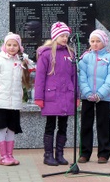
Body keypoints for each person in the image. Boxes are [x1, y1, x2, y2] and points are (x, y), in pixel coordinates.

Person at [34, 21, 79, 166]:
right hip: (52, 97)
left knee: (63, 126)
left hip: (67, 96)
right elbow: (40, 77)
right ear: (55, 37)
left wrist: (76, 96)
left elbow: (74, 76)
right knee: (50, 125)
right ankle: (48, 155)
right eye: (62, 36)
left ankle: (59, 153)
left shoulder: (70, 54)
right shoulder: (46, 54)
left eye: (66, 36)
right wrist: (39, 97)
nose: (65, 39)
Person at [0, 32, 32, 166]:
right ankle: (2, 156)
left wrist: (25, 60)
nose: (12, 47)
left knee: (12, 128)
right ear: (4, 46)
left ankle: (10, 154)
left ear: (19, 47)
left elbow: (32, 70)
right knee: (3, 128)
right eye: (9, 44)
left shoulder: (20, 61)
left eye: (15, 45)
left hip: (15, 101)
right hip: (1, 101)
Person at [78, 29, 110, 164]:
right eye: (92, 41)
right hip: (87, 97)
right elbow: (81, 77)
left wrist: (100, 94)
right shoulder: (85, 58)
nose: (95, 44)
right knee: (86, 124)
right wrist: (87, 93)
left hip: (103, 98)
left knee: (103, 124)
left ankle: (104, 153)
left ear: (104, 42)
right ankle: (84, 153)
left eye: (98, 41)